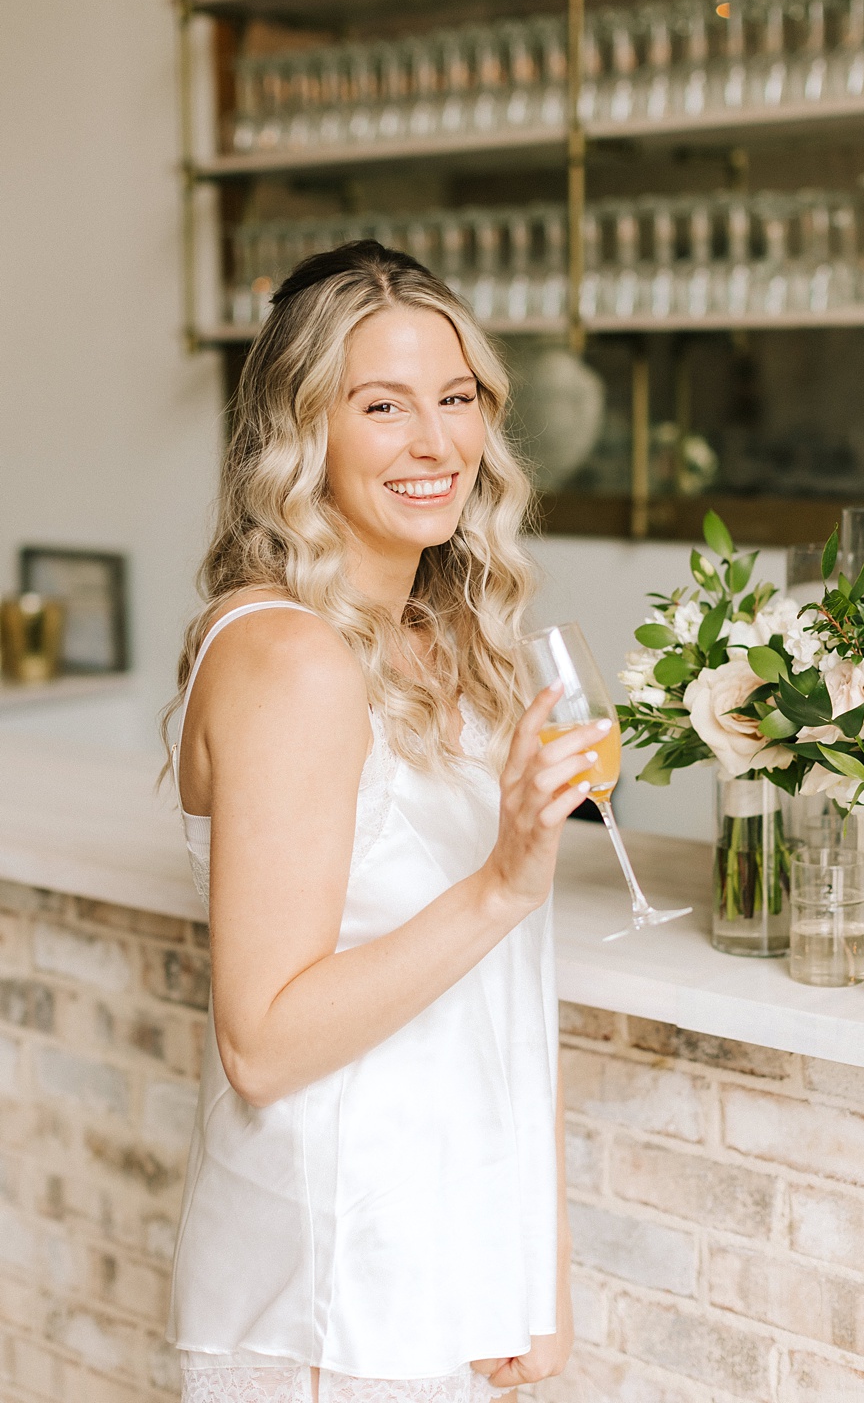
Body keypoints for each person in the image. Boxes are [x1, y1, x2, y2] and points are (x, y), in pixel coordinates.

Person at [164, 241, 587, 1401]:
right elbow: (262, 1041)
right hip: (333, 1291)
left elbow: (504, 993)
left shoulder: (451, 643)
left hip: (440, 1270)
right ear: (302, 431)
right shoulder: (289, 654)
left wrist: (530, 1266)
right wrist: (501, 880)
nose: (435, 441)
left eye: (455, 400)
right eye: (382, 405)